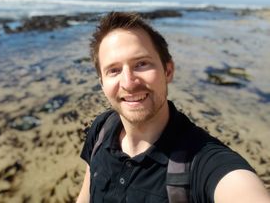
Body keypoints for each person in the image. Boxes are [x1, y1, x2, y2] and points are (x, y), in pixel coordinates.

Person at [76, 12, 270, 203]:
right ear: (102, 83)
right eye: (114, 70)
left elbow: (238, 186)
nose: (128, 83)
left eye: (142, 64)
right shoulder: (102, 129)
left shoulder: (200, 163)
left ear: (168, 71)